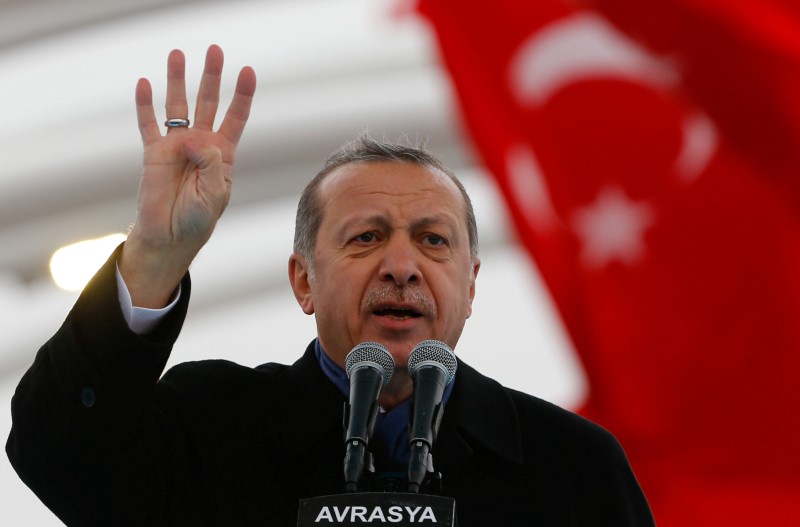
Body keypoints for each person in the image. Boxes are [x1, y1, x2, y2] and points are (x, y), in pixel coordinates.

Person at [6, 46, 654, 526]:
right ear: (303, 280)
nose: (402, 265)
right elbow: (57, 448)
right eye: (366, 237)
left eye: (432, 240)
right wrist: (156, 252)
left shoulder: (570, 467)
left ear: (470, 282)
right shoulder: (212, 429)